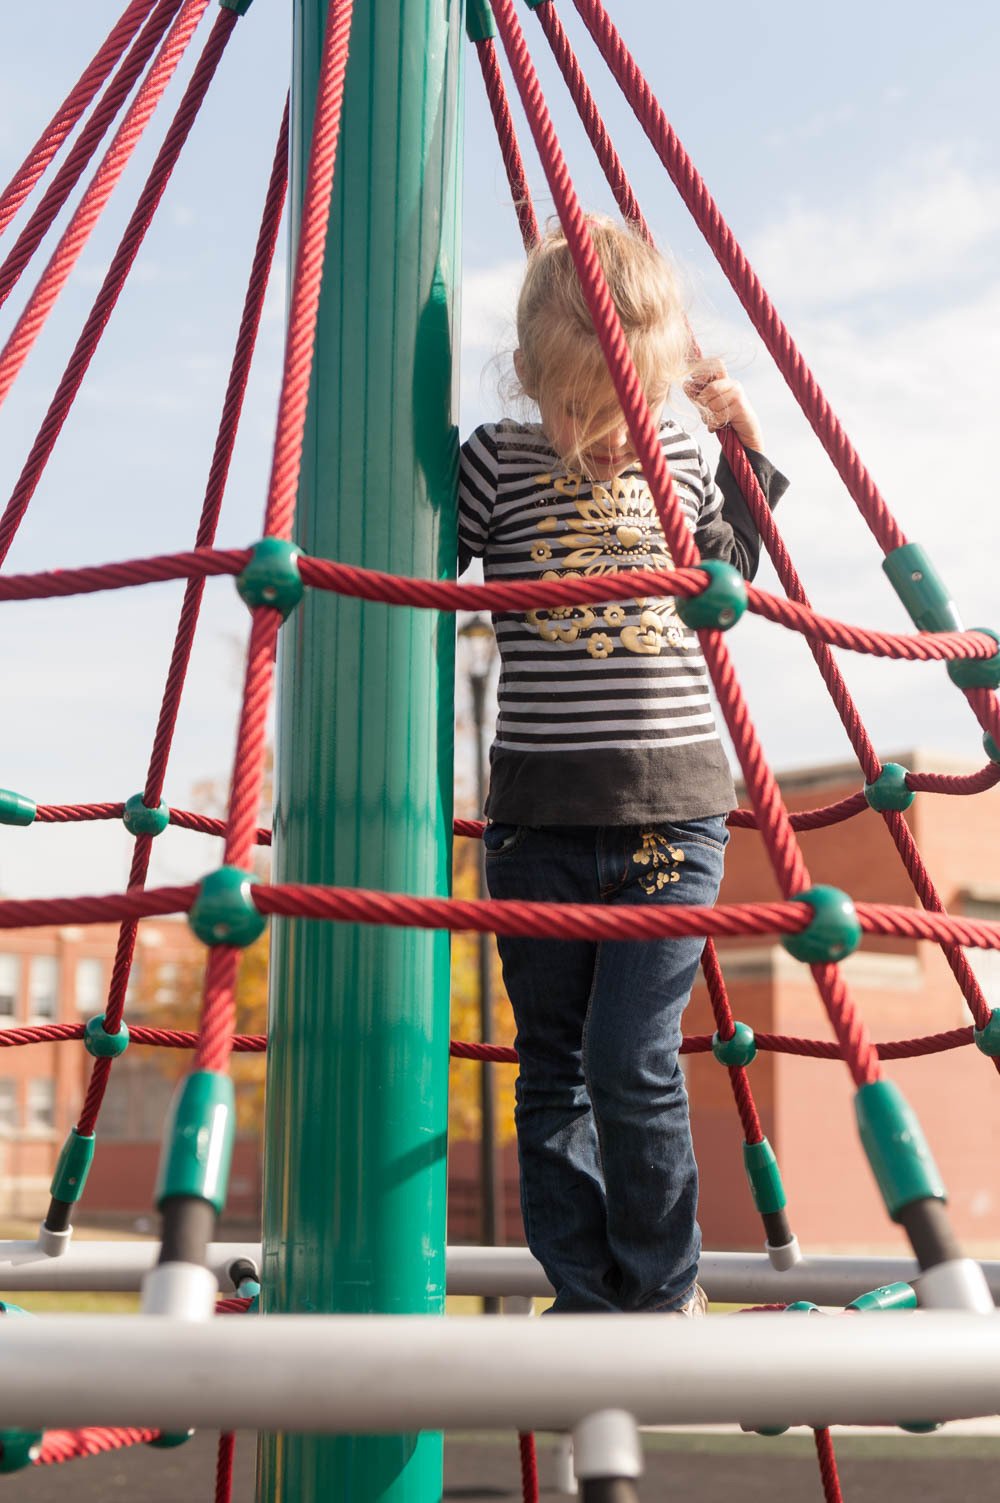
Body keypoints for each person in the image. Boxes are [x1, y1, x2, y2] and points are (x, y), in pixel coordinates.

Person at [457, 217, 787, 1315]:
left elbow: (730, 573)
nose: (605, 441)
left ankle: (661, 1291)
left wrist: (743, 451)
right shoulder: (495, 464)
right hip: (538, 821)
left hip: (672, 815)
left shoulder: (680, 453)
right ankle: (586, 1302)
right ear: (527, 377)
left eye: (627, 411)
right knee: (551, 1066)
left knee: (629, 1060)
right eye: (578, 413)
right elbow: (420, 561)